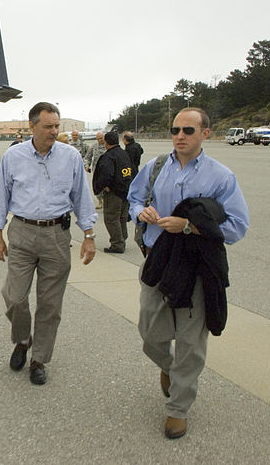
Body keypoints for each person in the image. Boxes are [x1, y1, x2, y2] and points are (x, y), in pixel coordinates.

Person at [127, 107, 249, 439]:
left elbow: (237, 227)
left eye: (188, 130)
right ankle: (170, 369)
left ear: (205, 134)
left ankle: (178, 408)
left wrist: (190, 226)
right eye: (175, 130)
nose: (180, 136)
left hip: (196, 267)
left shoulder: (221, 176)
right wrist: (142, 212)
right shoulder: (155, 168)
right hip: (157, 262)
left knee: (191, 343)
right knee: (149, 333)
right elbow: (134, 198)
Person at [0, 102, 97, 386]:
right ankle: (23, 339)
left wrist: (88, 236)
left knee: (50, 305)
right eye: (48, 126)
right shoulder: (13, 156)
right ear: (32, 127)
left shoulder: (70, 156)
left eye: (57, 126)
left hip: (56, 236)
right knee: (14, 296)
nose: (54, 131)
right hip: (22, 232)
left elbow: (82, 198)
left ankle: (39, 359)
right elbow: (0, 197)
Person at [93, 131, 134, 253]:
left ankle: (117, 244)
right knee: (122, 217)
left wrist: (104, 186)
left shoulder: (109, 156)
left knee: (111, 218)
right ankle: (122, 239)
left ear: (106, 142)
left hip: (114, 193)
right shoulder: (124, 154)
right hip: (125, 191)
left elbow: (106, 174)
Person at [85, 132, 106, 209]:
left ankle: (106, 201)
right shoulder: (93, 146)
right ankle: (100, 201)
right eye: (98, 139)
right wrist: (87, 165)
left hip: (107, 170)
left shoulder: (108, 145)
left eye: (101, 138)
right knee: (97, 187)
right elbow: (88, 157)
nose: (100, 140)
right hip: (97, 170)